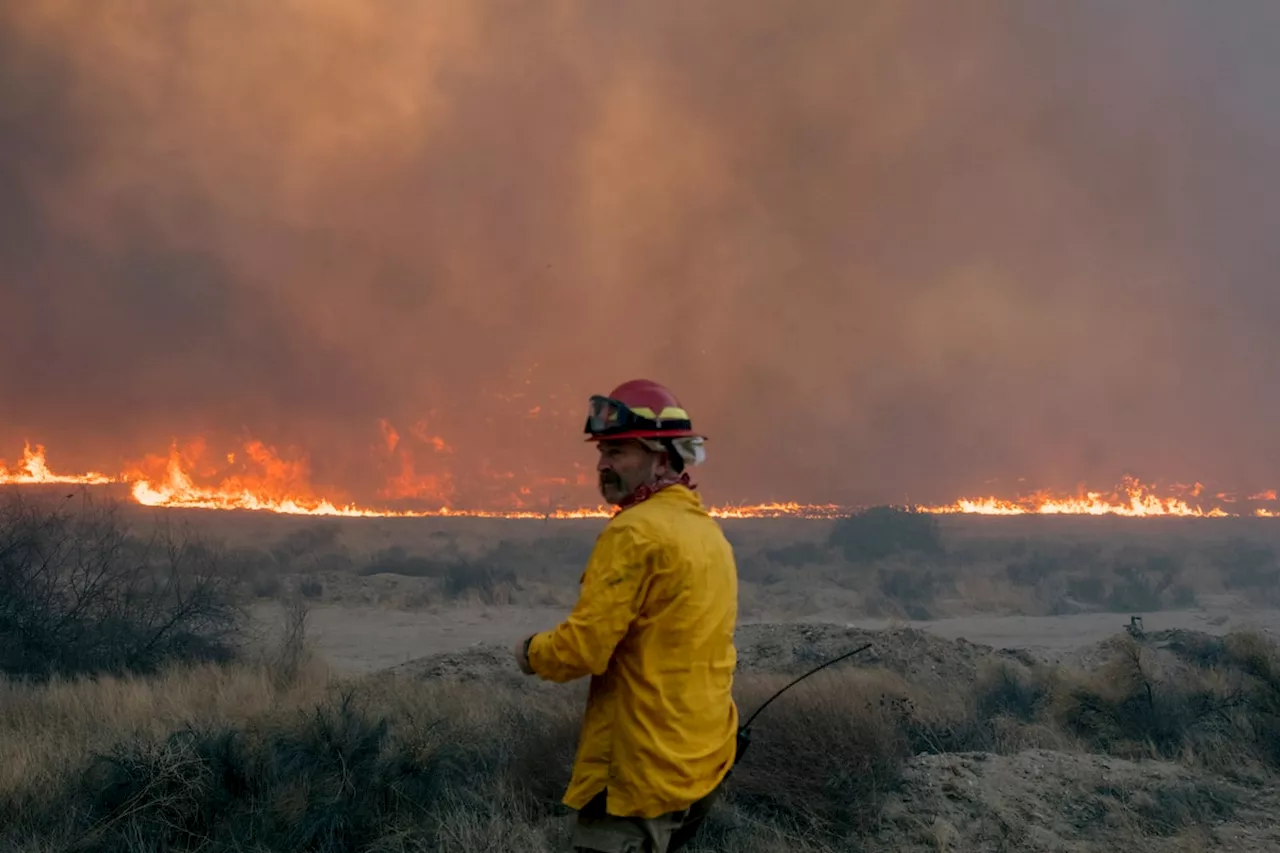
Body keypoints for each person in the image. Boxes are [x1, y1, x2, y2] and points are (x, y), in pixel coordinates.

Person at [513, 378, 739, 853]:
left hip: (639, 774)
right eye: (601, 452)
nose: (602, 466)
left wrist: (532, 653)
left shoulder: (634, 534)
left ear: (661, 457)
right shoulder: (705, 532)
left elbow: (584, 648)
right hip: (699, 763)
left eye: (617, 453)